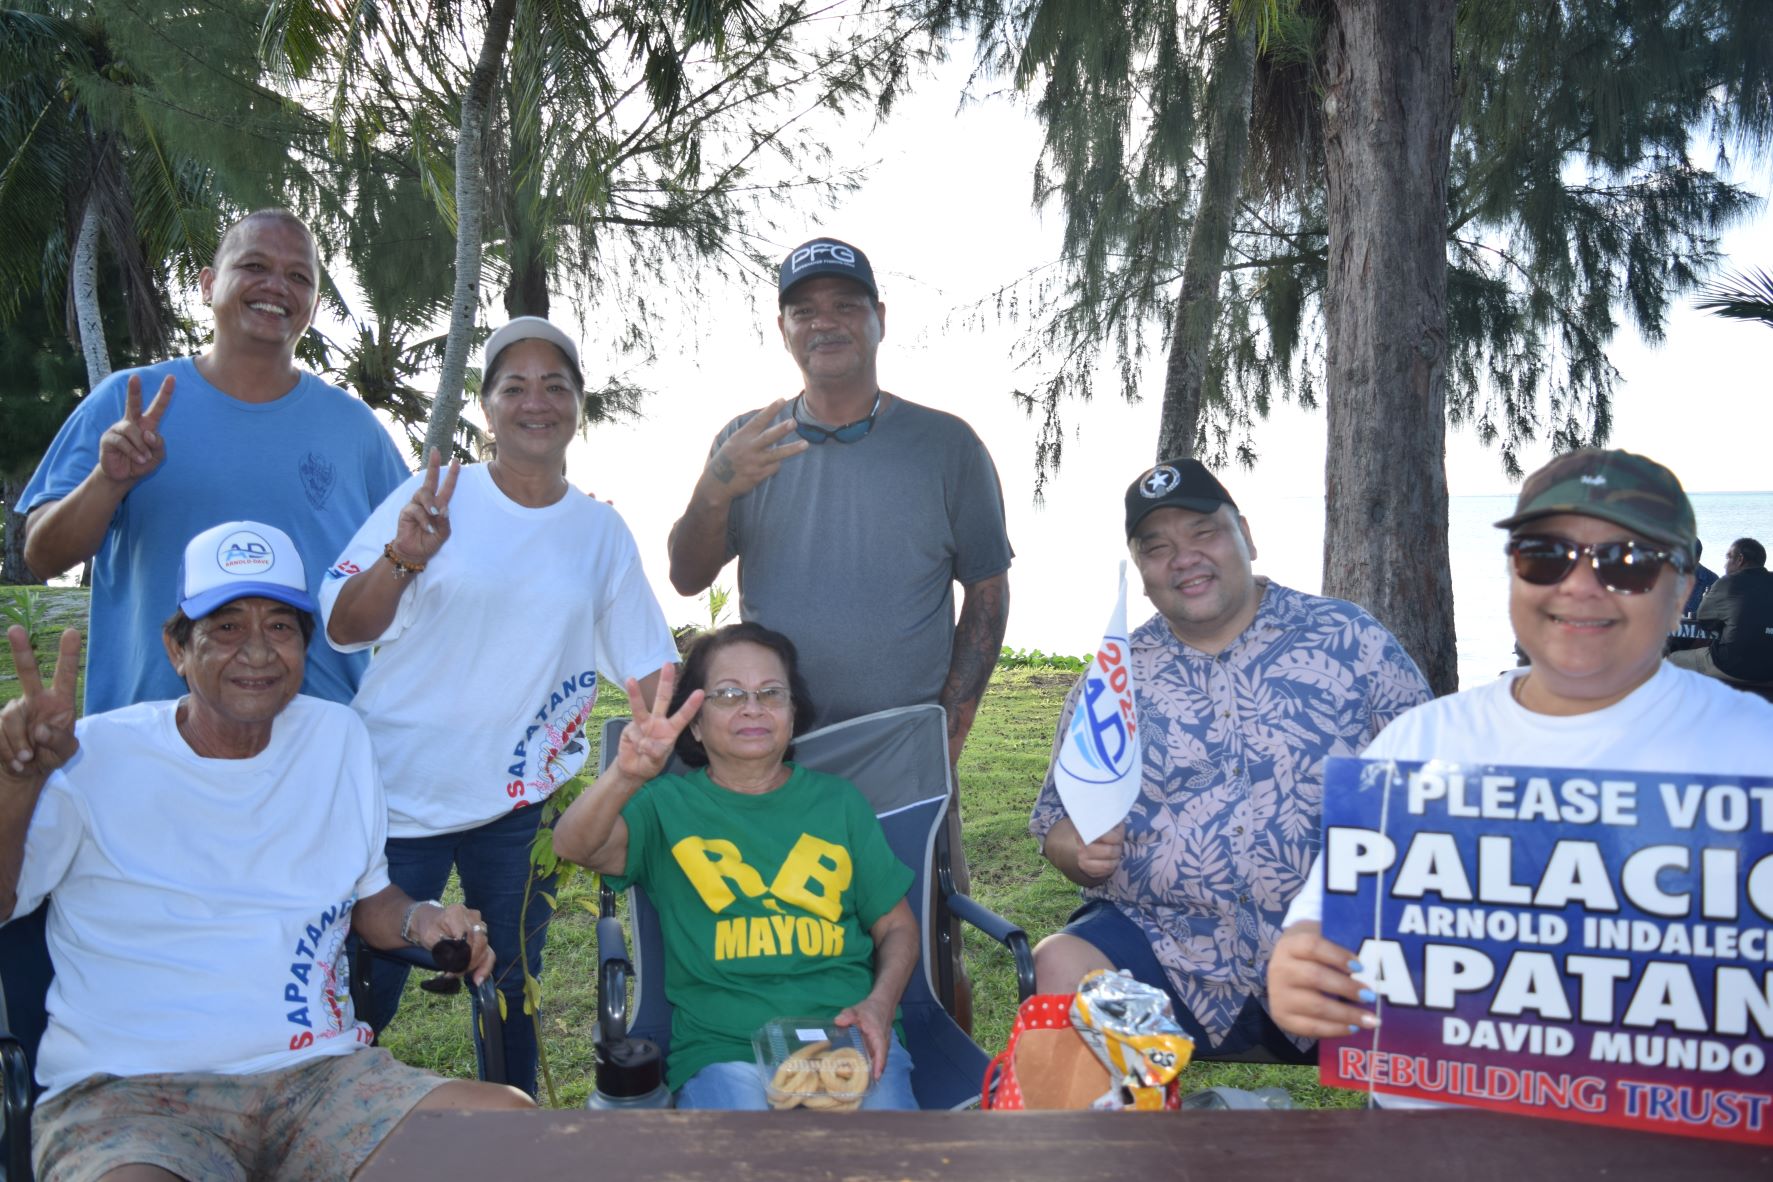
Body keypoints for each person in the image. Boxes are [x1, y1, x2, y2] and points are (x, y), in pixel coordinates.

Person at [0, 520, 530, 1182]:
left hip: (317, 1081)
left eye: (280, 626)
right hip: (133, 1095)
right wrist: (17, 784)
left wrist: (421, 918)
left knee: (510, 1134)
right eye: (225, 628)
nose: (257, 650)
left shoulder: (336, 738)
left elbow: (369, 898)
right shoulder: (91, 757)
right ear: (176, 648)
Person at [1268, 449, 1773, 1098]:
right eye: (1545, 554)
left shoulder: (1756, 752)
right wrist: (1300, 964)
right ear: (1512, 574)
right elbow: (1323, 922)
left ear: (1681, 588)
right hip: (1436, 1149)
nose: (1580, 585)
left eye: (1626, 562)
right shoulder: (1420, 742)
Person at [319, 317, 679, 1098]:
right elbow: (346, 627)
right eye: (513, 386)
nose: (535, 401)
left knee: (513, 985)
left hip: (518, 809)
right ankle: (326, 1118)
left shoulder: (599, 530)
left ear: (579, 404)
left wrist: (708, 709)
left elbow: (649, 661)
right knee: (358, 992)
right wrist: (403, 557)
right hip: (395, 801)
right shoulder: (432, 501)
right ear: (486, 407)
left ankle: (517, 1129)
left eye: (555, 384)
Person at [664, 236, 1012, 1031]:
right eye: (804, 310)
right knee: (778, 930)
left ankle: (932, 1115)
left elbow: (987, 589)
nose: (825, 324)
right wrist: (717, 488)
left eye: (845, 306)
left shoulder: (946, 444)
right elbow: (688, 573)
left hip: (902, 747)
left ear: (879, 320)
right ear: (782, 329)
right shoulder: (745, 439)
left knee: (924, 932)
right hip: (770, 749)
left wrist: (948, 727)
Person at [1028, 459, 1433, 1062]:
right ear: (1140, 571)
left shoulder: (1352, 640)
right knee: (1059, 962)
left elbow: (1433, 787)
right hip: (1166, 950)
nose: (1183, 557)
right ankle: (1128, 1141)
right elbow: (1053, 822)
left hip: (1335, 947)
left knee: (1448, 980)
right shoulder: (1117, 675)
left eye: (1203, 532)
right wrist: (1077, 851)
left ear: (1245, 533)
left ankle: (1401, 1151)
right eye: (1157, 546)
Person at [19, 209, 408, 714]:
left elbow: (417, 569)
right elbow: (43, 555)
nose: (277, 286)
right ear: (208, 284)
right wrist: (106, 482)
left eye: (298, 277)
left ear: (312, 303)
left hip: (316, 744)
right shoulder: (129, 403)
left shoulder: (357, 431)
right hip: (149, 740)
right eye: (254, 266)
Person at [552, 623, 921, 1110]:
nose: (753, 707)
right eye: (728, 694)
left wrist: (880, 1004)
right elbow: (573, 845)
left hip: (849, 1036)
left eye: (771, 693)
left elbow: (896, 925)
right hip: (727, 1048)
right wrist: (625, 776)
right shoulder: (666, 806)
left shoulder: (840, 804)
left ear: (793, 714)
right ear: (697, 723)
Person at [1669, 535, 1773, 685]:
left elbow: (1704, 620)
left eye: (1728, 558)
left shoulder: (1726, 582)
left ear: (1740, 559)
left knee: (1674, 659)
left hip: (1733, 666)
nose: (1724, 565)